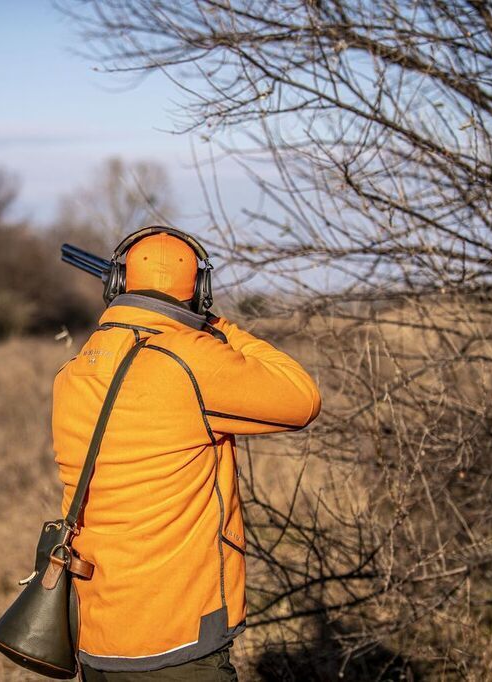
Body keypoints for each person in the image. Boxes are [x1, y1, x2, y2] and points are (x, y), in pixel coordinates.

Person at [52, 227, 321, 680]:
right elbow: (302, 398)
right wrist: (217, 326)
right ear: (200, 289)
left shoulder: (75, 370)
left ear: (117, 285)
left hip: (95, 629)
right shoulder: (192, 361)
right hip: (176, 637)